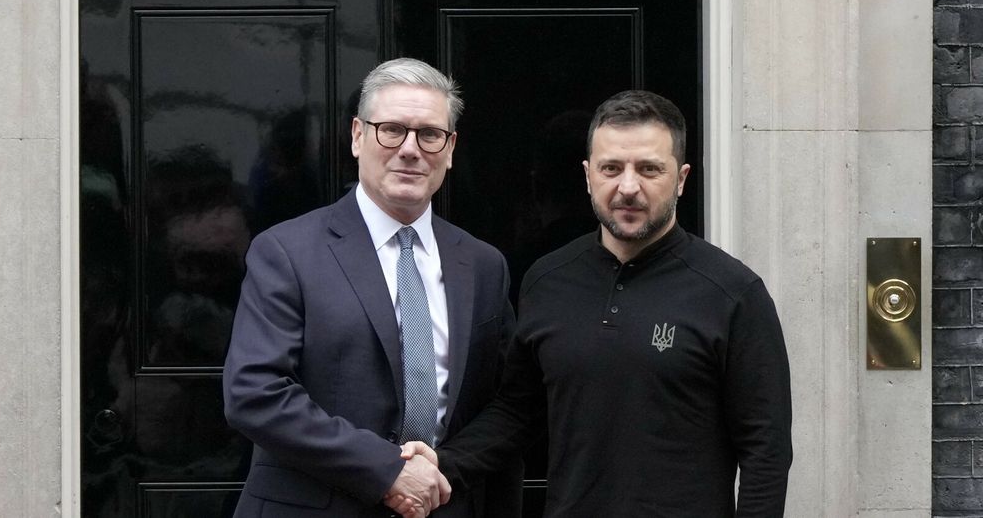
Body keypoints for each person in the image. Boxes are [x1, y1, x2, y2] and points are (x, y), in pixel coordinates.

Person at [402, 90, 793, 517]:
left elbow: (766, 449)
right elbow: (518, 412)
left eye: (649, 169)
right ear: (588, 176)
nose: (628, 187)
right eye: (611, 168)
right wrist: (443, 463)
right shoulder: (547, 281)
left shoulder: (733, 294)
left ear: (681, 179)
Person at [223, 58, 521, 517]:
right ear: (358, 136)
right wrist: (387, 471)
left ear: (450, 148)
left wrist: (442, 469)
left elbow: (505, 403)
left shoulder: (483, 265)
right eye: (392, 130)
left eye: (429, 134)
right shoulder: (287, 252)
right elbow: (255, 393)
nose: (410, 149)